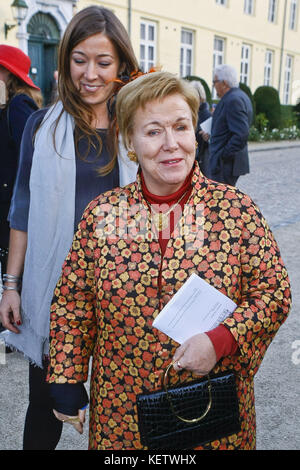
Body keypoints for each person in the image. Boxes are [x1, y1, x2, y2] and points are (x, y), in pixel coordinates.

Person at [45, 71, 291, 450]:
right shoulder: (103, 213)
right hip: (123, 414)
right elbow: (73, 300)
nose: (171, 144)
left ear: (196, 133)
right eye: (153, 131)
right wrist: (66, 375)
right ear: (130, 141)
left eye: (181, 127)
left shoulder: (236, 210)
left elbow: (274, 294)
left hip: (213, 411)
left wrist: (221, 340)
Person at [0, 6, 139, 450]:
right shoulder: (41, 127)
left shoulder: (138, 127)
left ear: (121, 66)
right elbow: (22, 209)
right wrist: (11, 285)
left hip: (126, 289)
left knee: (129, 409)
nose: (90, 74)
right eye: (79, 59)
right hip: (54, 293)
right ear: (64, 62)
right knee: (45, 407)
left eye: (103, 62)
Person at [0, 45, 42, 332]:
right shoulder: (9, 105)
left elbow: (32, 157)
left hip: (15, 203)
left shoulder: (18, 106)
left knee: (13, 266)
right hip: (9, 200)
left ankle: (14, 325)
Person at [201, 64, 253, 186]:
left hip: (226, 164)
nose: (213, 86)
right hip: (226, 162)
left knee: (222, 200)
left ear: (224, 83)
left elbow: (241, 134)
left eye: (214, 82)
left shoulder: (233, 100)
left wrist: (223, 155)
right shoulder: (238, 96)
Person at [190, 80, 211, 177]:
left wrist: (206, 137)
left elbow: (209, 139)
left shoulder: (205, 114)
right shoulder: (190, 112)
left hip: (202, 159)